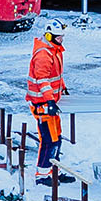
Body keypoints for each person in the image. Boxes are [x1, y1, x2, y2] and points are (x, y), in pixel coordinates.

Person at [26, 26, 70, 181]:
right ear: (49, 36)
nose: (61, 40)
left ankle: (55, 170)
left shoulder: (54, 50)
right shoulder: (43, 55)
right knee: (49, 141)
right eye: (58, 37)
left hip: (50, 103)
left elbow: (56, 75)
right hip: (42, 105)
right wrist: (50, 101)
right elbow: (43, 80)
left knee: (57, 138)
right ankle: (43, 174)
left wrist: (62, 88)